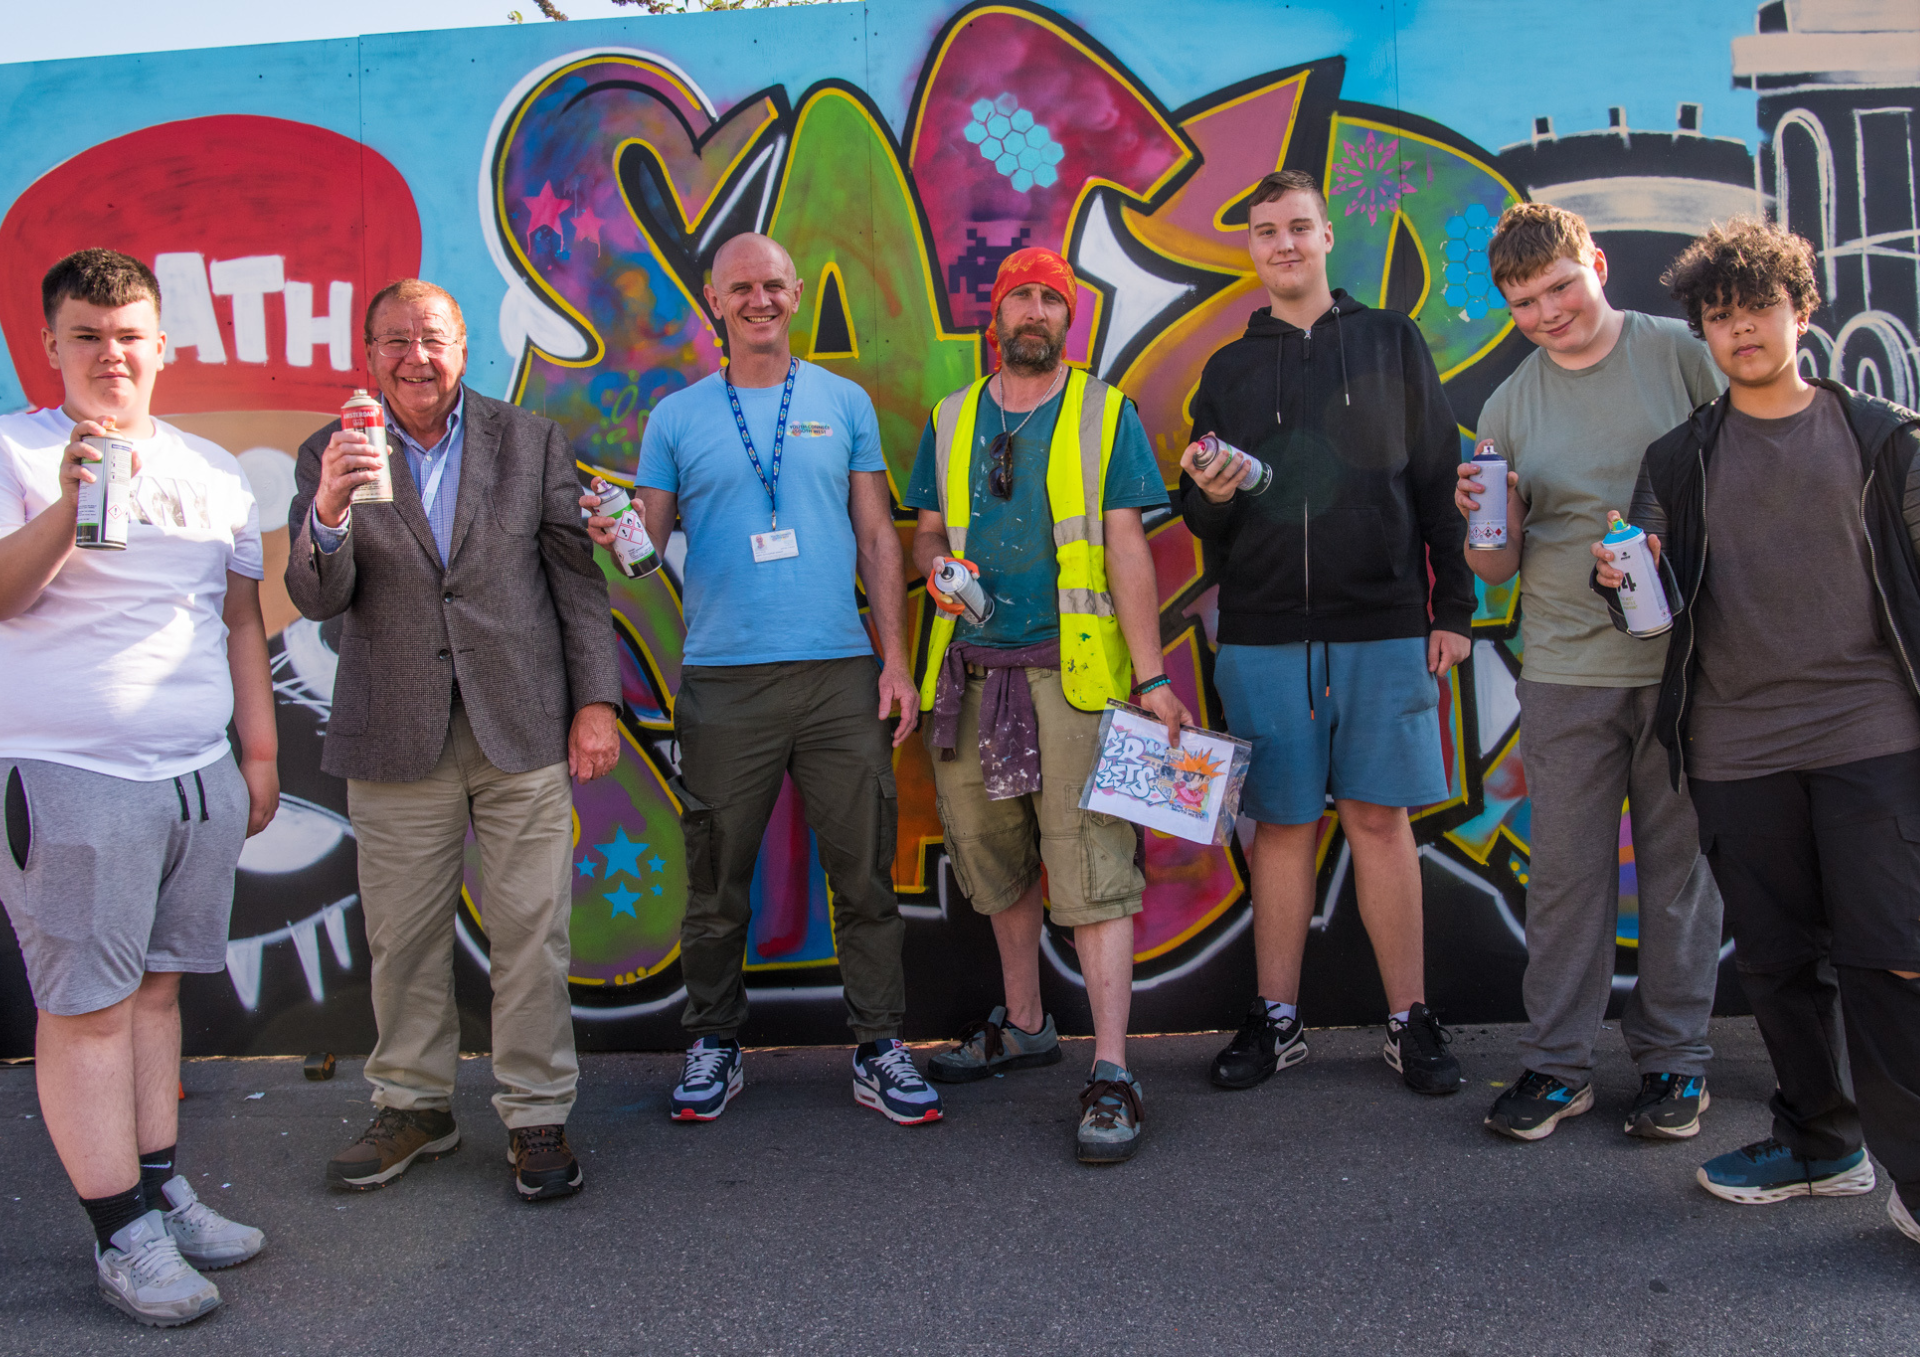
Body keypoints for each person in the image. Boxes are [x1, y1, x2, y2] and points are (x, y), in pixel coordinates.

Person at [1592, 218, 1920, 1246]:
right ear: (1703, 331)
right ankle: (1821, 1139)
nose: (1740, 331)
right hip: (1736, 745)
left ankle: (1912, 1172)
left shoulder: (1885, 436)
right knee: (1777, 961)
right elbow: (1650, 614)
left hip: (1873, 735)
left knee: (1889, 956)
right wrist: (1621, 579)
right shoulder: (1678, 458)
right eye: (1720, 317)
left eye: (1758, 310)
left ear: (1801, 310)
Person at [589, 233, 938, 1127]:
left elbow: (876, 537)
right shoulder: (676, 416)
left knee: (863, 875)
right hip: (722, 680)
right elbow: (645, 552)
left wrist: (895, 660)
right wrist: (618, 529)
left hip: (838, 676)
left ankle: (878, 1044)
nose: (760, 301)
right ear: (713, 300)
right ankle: (715, 1042)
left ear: (793, 298)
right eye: (741, 288)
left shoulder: (843, 401)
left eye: (774, 286)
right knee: (715, 882)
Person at [287, 279, 622, 1203]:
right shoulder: (330, 452)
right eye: (394, 340)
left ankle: (536, 1110)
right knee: (403, 939)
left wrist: (597, 702)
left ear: (462, 348)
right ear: (370, 358)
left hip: (522, 724)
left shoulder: (531, 441)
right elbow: (319, 597)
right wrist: (329, 511)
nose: (414, 356)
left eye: (430, 337)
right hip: (395, 733)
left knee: (532, 932)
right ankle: (415, 1106)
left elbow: (577, 583)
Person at [0, 248, 277, 1326]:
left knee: (158, 988)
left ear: (163, 345)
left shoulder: (213, 467)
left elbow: (240, 619)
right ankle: (121, 1235)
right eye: (87, 335)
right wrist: (73, 501)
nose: (111, 353)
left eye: (129, 336)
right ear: (52, 345)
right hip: (71, 774)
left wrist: (256, 755)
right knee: (86, 1008)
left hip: (194, 773)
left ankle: (162, 1192)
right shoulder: (19, 449)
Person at [1176, 169, 1472, 1096]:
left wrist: (1454, 609)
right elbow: (1203, 520)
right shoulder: (1228, 369)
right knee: (1280, 829)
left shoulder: (1390, 339)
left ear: (1327, 234)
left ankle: (1409, 1020)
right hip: (1262, 633)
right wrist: (1208, 493)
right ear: (1252, 248)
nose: (1283, 244)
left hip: (1383, 624)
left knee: (1380, 821)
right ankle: (1275, 1021)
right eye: (1265, 231)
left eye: (1298, 227)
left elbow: (1438, 481)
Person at [907, 247, 1185, 1165]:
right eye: (1020, 295)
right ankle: (1025, 1023)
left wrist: (1149, 681)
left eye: (1050, 299)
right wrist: (936, 569)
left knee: (1093, 869)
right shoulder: (950, 418)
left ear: (1072, 320)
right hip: (968, 675)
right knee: (998, 864)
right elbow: (927, 529)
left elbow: (1127, 551)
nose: (1035, 311)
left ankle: (1111, 1068)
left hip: (1073, 682)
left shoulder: (1106, 413)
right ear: (996, 313)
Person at [1457, 203, 1727, 1143]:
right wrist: (1490, 516)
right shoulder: (1507, 406)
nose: (1547, 313)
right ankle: (1558, 1065)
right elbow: (1492, 570)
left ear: (1597, 264)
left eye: (1560, 286)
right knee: (1567, 874)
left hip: (1685, 661)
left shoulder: (1680, 355)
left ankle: (1674, 1064)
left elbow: (1736, 478)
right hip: (1567, 663)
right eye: (1523, 301)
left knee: (1677, 868)